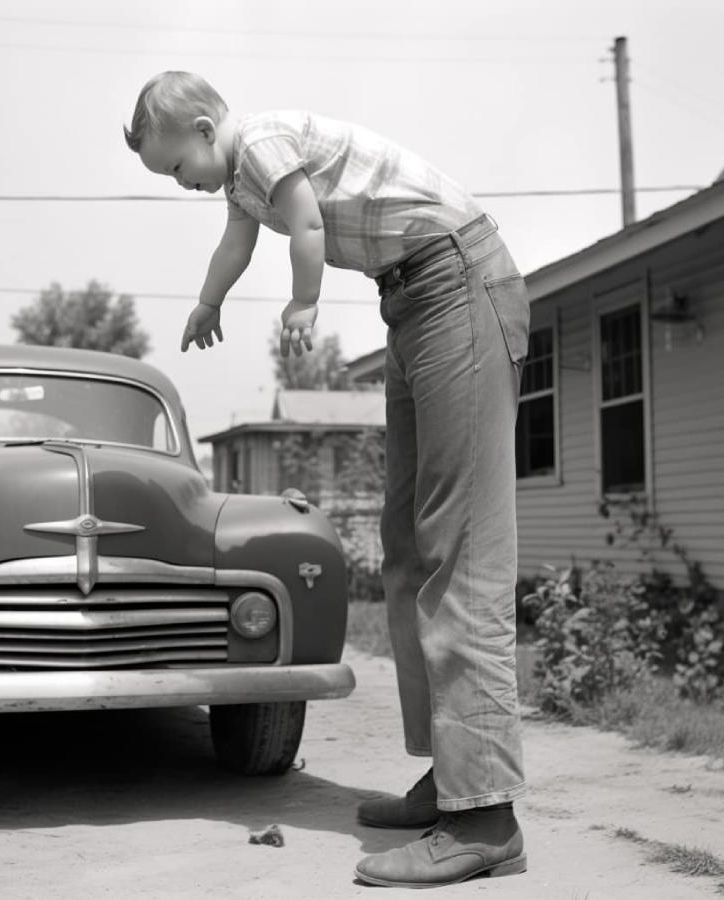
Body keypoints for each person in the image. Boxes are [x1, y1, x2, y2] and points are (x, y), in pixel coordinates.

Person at [124, 70, 530, 889]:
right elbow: (238, 243)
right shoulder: (241, 181)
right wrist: (209, 303)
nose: (184, 185)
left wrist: (305, 303)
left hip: (456, 279)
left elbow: (304, 222)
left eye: (176, 169)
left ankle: (485, 817)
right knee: (408, 550)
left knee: (458, 550)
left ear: (207, 130)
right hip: (413, 298)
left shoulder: (264, 139)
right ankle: (453, 782)